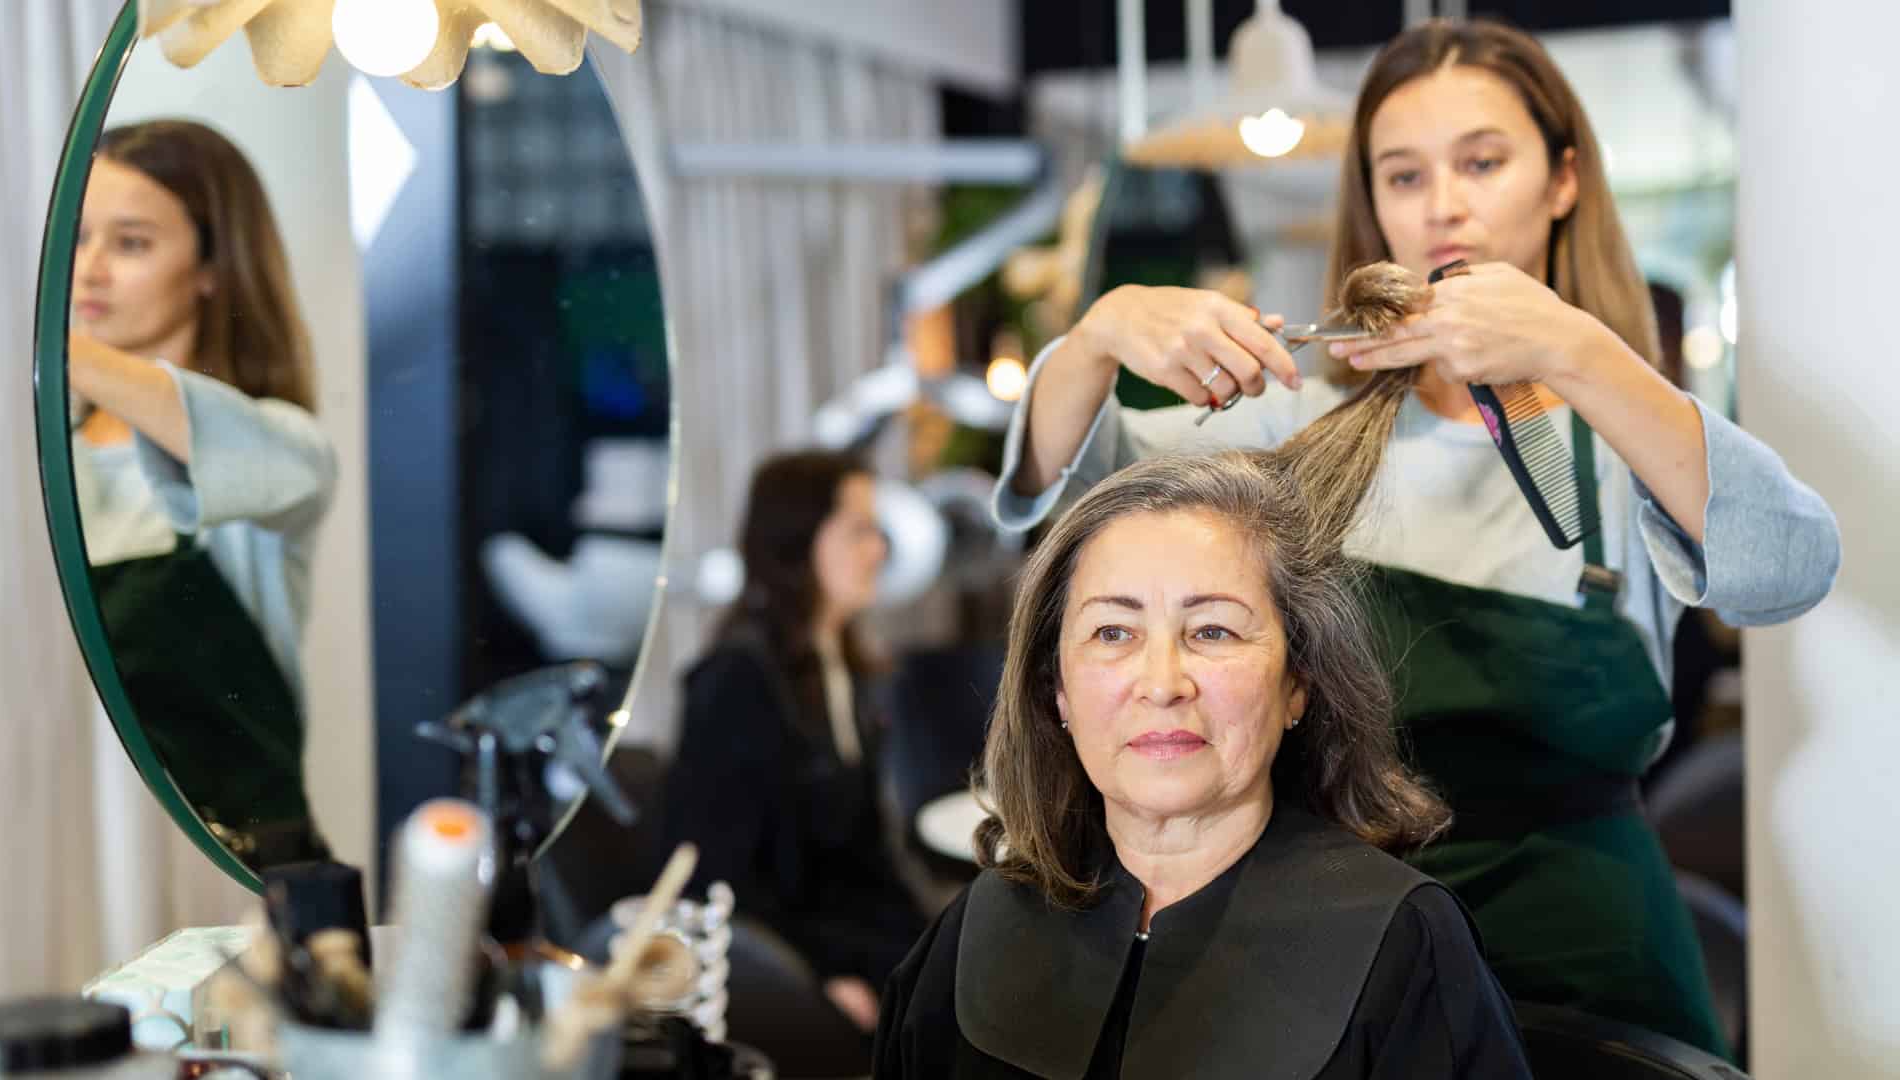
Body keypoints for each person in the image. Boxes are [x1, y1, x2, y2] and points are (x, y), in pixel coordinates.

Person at [994, 18, 1839, 1057]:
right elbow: (1056, 505)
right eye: (1403, 176)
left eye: (1483, 162)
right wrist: (1095, 340)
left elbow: (1789, 569)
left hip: (1588, 971)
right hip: (1341, 960)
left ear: (1563, 179)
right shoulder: (1292, 421)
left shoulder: (1623, 437)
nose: (1443, 204)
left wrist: (1576, 351)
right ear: (1372, 204)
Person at [876, 450, 1532, 1078]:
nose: (1162, 684)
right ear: (1058, 691)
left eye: (1212, 631)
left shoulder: (1402, 942)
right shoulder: (980, 927)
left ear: (1298, 683)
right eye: (1113, 633)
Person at [71, 119, 335, 864]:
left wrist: (37, 342)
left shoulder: (283, 447)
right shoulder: (46, 462)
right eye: (79, 238)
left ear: (213, 265)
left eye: (130, 244)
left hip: (242, 869)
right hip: (96, 859)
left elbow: (201, 433)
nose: (88, 271)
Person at [660, 450, 927, 1034]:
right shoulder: (737, 682)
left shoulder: (845, 668)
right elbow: (715, 878)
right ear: (796, 541)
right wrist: (821, 979)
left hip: (870, 934)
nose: (879, 550)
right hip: (805, 955)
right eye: (860, 531)